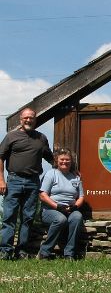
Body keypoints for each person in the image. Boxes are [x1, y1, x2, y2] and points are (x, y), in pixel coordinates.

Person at [0, 107, 53, 260]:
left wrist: (72, 169)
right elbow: (1, 157)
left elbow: (50, 158)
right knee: (9, 217)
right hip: (14, 180)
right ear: (20, 120)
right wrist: (1, 179)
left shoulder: (41, 138)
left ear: (35, 119)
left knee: (28, 218)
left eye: (31, 117)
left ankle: (22, 251)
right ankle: (5, 251)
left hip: (33, 181)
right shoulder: (11, 136)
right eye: (26, 118)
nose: (28, 120)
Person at [38, 148, 84, 260]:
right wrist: (57, 206)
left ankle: (69, 253)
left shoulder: (76, 177)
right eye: (62, 159)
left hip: (70, 209)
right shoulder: (51, 174)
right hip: (50, 210)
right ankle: (44, 252)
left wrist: (75, 207)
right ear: (57, 161)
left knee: (77, 217)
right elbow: (42, 195)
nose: (65, 162)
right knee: (60, 219)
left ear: (71, 161)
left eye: (67, 160)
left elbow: (81, 197)